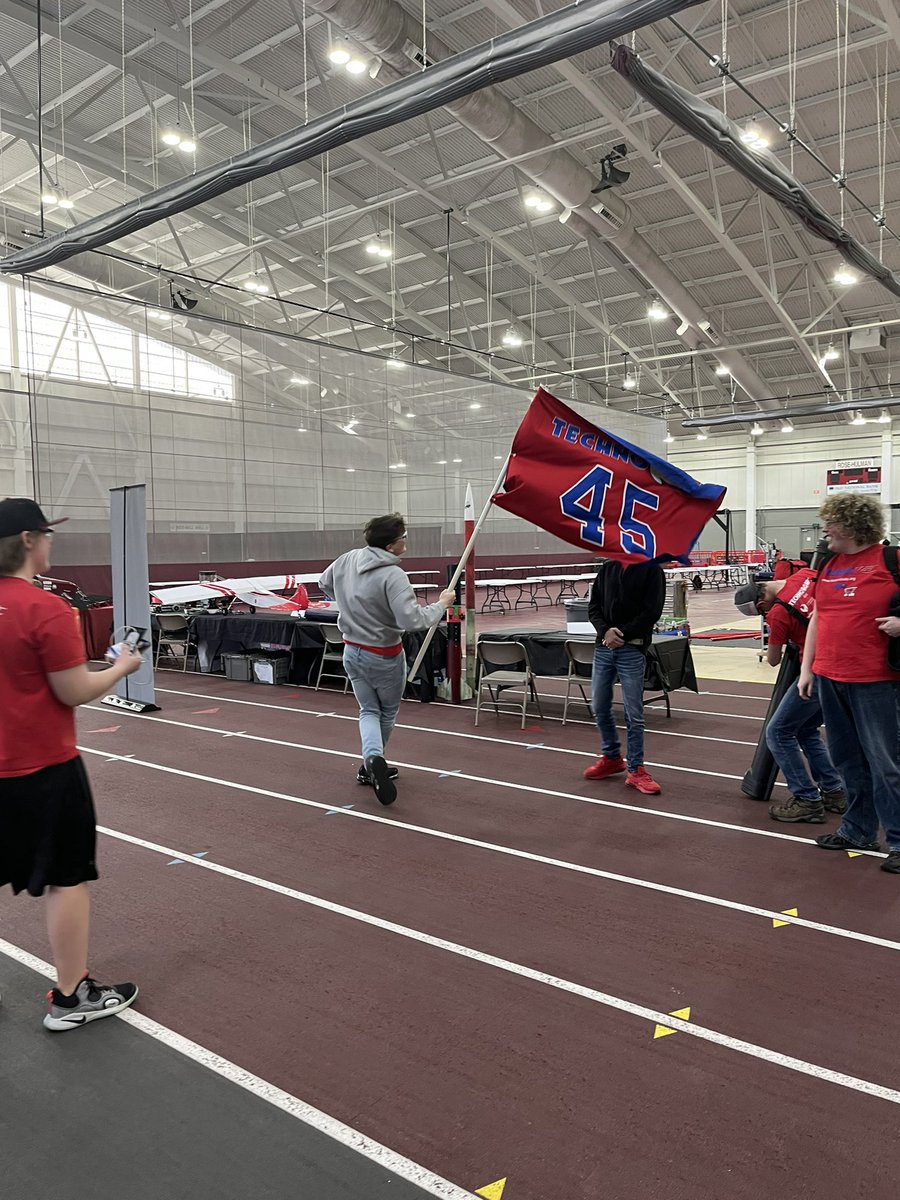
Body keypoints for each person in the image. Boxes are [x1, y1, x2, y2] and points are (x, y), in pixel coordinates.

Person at [0, 497, 143, 1028]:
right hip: (43, 768)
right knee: (66, 877)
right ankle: (70, 996)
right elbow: (73, 690)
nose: (51, 543)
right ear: (29, 541)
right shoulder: (46, 609)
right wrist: (122, 667)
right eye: (47, 535)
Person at [319, 513, 454, 806]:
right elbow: (412, 621)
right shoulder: (393, 576)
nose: (406, 542)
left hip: (351, 650)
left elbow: (324, 583)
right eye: (403, 538)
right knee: (387, 713)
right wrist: (441, 605)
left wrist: (348, 602)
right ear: (391, 546)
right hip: (384, 656)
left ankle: (370, 762)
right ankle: (373, 759)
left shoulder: (346, 559)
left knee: (368, 710)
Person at [798, 493, 900, 872]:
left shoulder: (891, 559)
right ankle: (857, 830)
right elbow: (818, 617)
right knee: (846, 759)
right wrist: (807, 668)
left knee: (886, 763)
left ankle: (898, 840)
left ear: (853, 526)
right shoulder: (828, 564)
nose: (825, 530)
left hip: (876, 681)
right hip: (830, 677)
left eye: (831, 523)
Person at [734, 572, 844, 822]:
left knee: (778, 732)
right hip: (841, 664)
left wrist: (777, 630)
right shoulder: (804, 575)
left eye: (761, 613)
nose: (765, 615)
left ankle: (807, 798)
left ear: (761, 604)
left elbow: (773, 660)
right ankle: (834, 791)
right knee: (806, 729)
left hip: (817, 669)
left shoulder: (777, 613)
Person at [583, 558, 667, 795]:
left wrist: (621, 634)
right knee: (599, 706)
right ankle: (612, 757)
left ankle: (636, 769)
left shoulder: (652, 570)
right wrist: (605, 631)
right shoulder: (607, 568)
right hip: (604, 648)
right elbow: (594, 606)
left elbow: (651, 612)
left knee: (634, 714)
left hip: (632, 649)